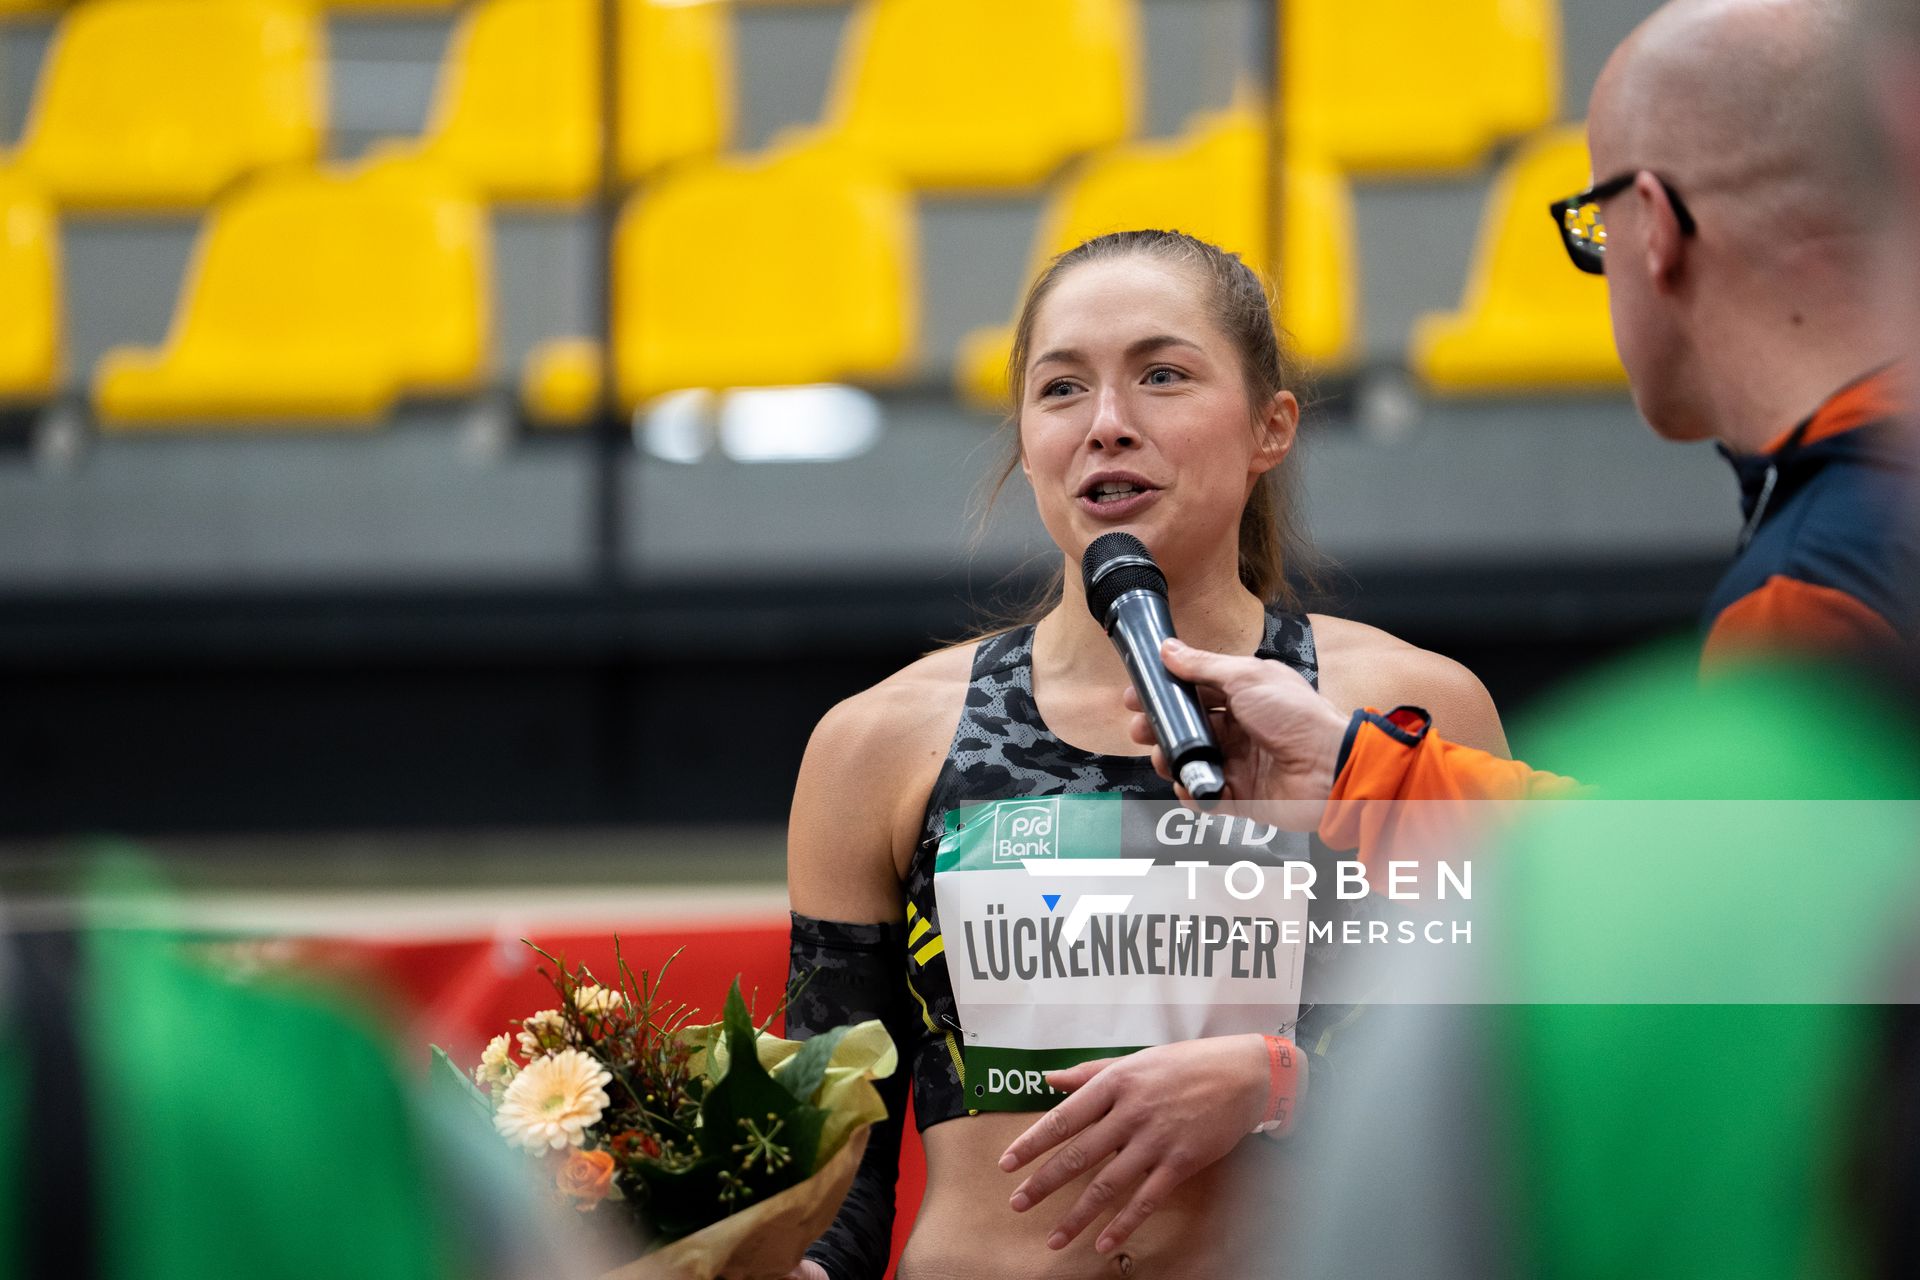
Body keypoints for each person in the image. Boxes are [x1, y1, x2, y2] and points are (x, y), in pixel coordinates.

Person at [781, 229, 1508, 1279]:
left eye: (1162, 375)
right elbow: (833, 1173)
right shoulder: (879, 744)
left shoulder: (1405, 716)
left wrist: (1277, 1081)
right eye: (1062, 388)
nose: (1108, 425)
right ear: (1026, 435)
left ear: (1272, 427)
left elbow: (1500, 1096)